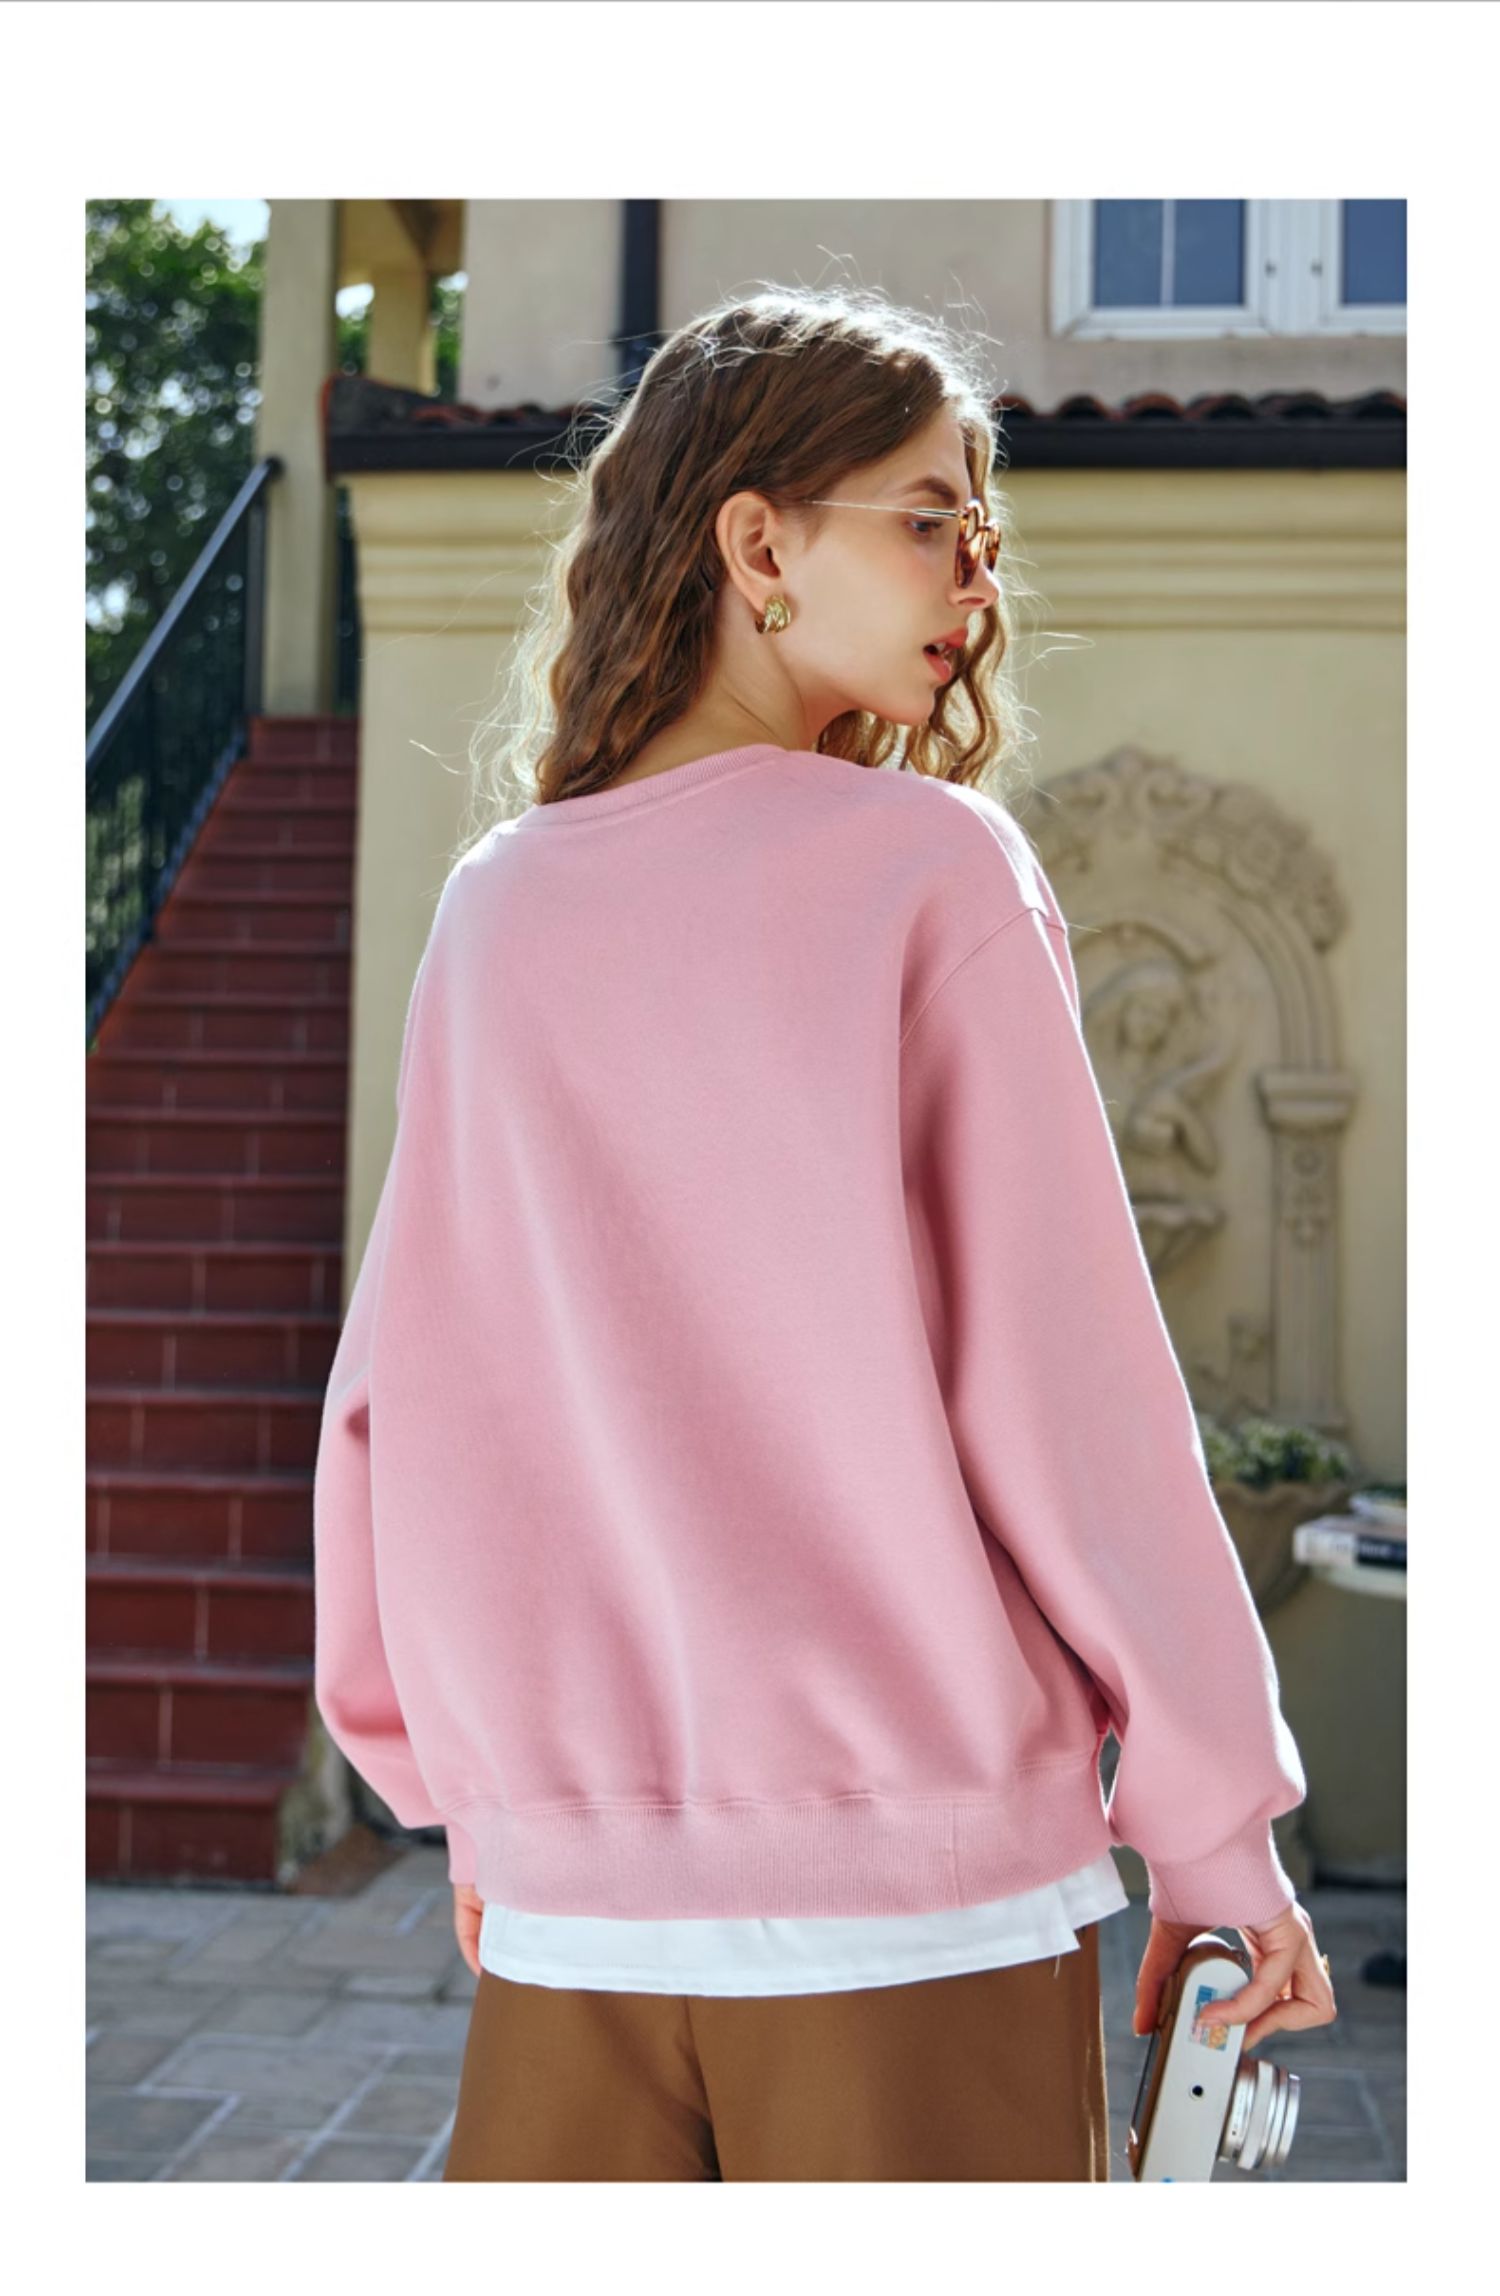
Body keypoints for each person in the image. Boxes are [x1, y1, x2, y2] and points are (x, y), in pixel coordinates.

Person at [312, 286, 1337, 2183]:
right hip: (919, 1912)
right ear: (759, 544)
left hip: (575, 1927)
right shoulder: (931, 871)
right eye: (929, 516)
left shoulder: (497, 906)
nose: (978, 573)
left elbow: (408, 1402)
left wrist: (489, 1796)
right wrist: (1213, 1838)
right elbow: (1069, 1396)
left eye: (983, 527)